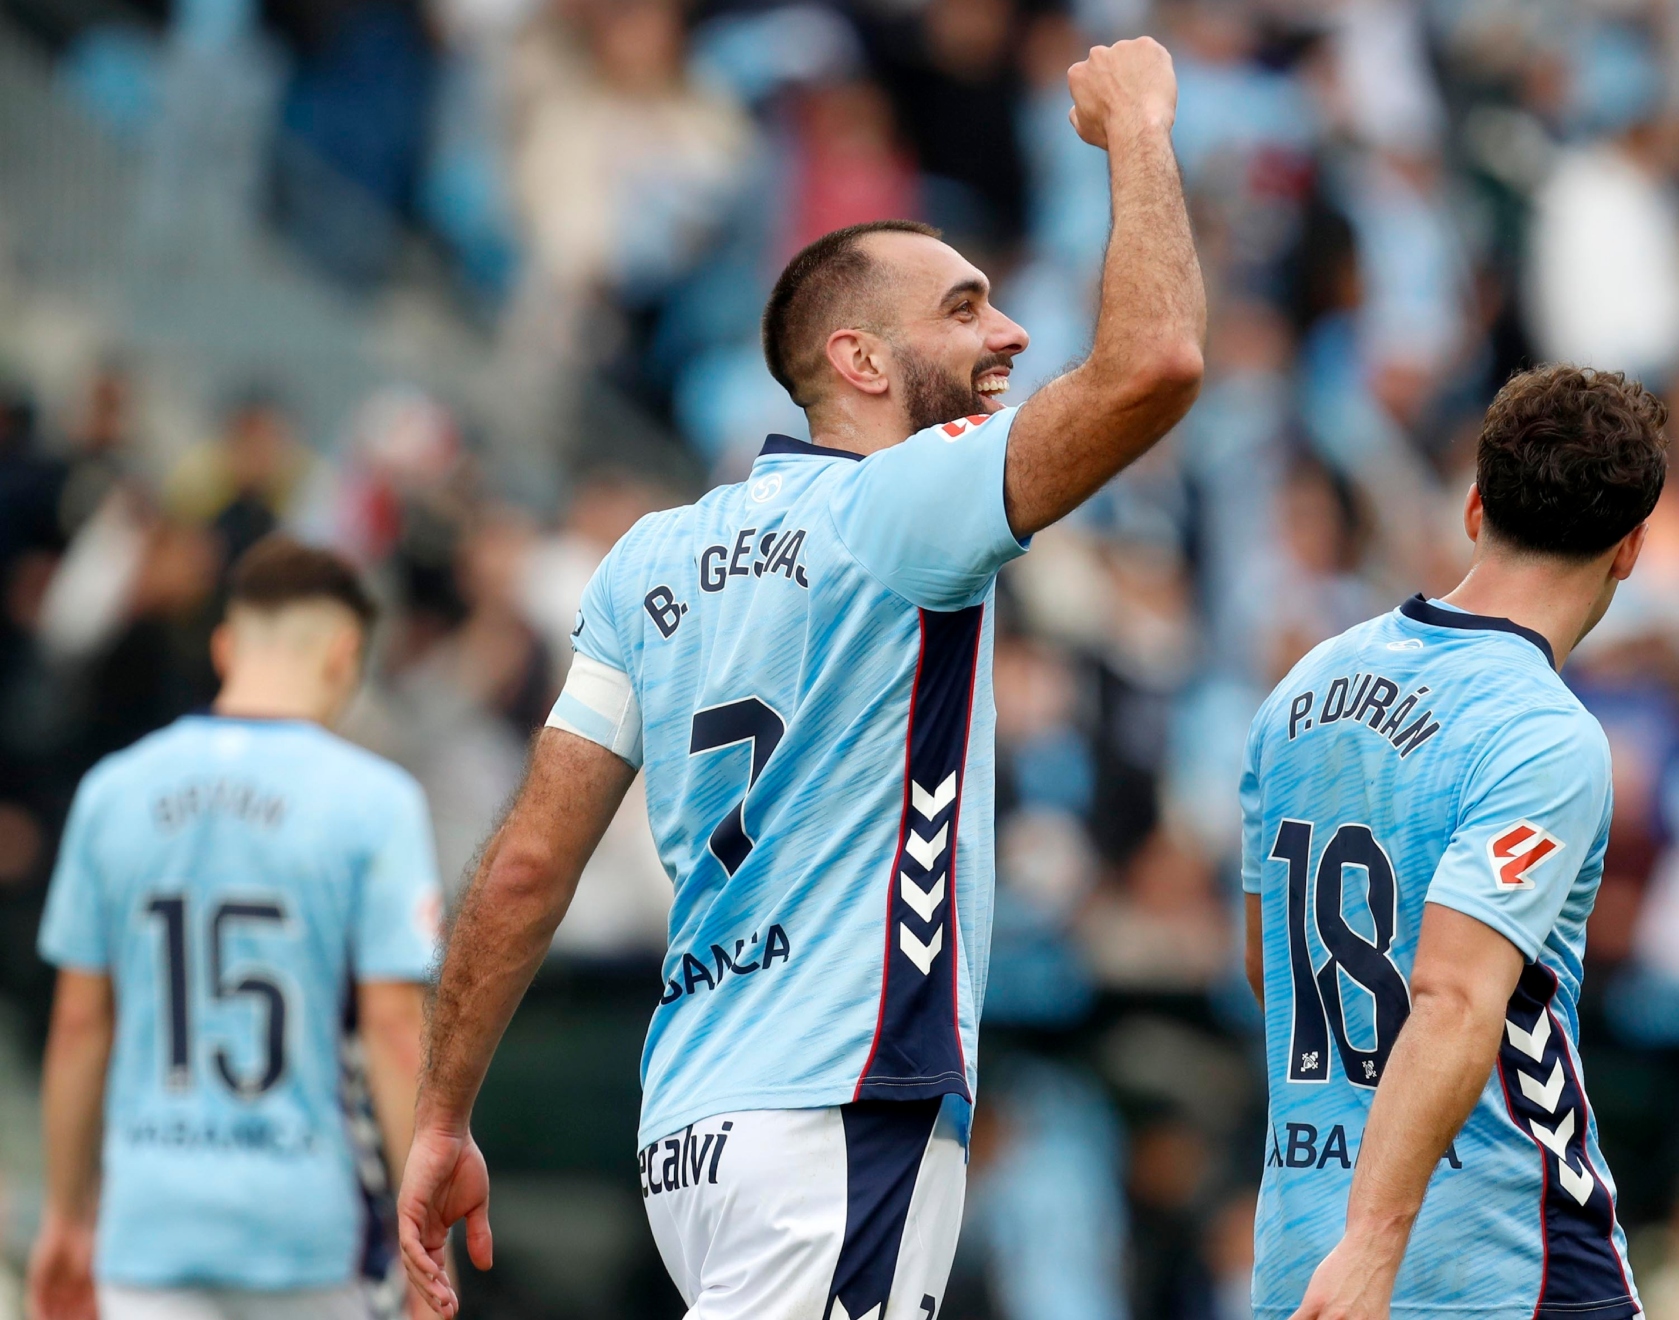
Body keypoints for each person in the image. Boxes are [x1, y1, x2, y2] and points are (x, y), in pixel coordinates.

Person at [397, 35, 1205, 1320]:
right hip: (842, 1103)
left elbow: (523, 867)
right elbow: (1155, 363)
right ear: (860, 364)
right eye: (963, 307)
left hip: (695, 1132)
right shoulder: (906, 505)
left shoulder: (650, 562)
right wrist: (1145, 129)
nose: (1009, 331)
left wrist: (443, 1114)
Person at [1239, 365, 1667, 1320]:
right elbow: (1453, 994)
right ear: (1631, 549)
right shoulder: (1543, 733)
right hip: (1501, 1259)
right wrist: (1374, 1243)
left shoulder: (1303, 688)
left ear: (1475, 506)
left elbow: (1270, 970)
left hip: (1300, 1251)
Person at [28, 536, 444, 1320]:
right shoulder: (375, 802)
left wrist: (65, 1214)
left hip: (150, 1226)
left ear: (225, 645)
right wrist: (425, 1240)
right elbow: (396, 1034)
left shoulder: (111, 792)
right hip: (306, 1227)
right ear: (345, 653)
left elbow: (80, 1022)